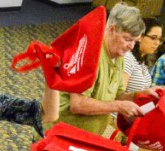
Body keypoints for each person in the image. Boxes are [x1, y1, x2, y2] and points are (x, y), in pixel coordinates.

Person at [56, 3, 145, 136]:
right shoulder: (89, 53)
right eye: (127, 39)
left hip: (83, 137)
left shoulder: (118, 55)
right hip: (59, 135)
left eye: (135, 41)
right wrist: (118, 107)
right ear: (111, 29)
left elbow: (117, 95)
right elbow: (78, 104)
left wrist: (141, 95)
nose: (131, 46)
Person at [123, 18, 163, 94]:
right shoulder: (128, 58)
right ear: (140, 37)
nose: (157, 43)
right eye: (153, 38)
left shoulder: (142, 62)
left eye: (159, 39)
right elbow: (119, 94)